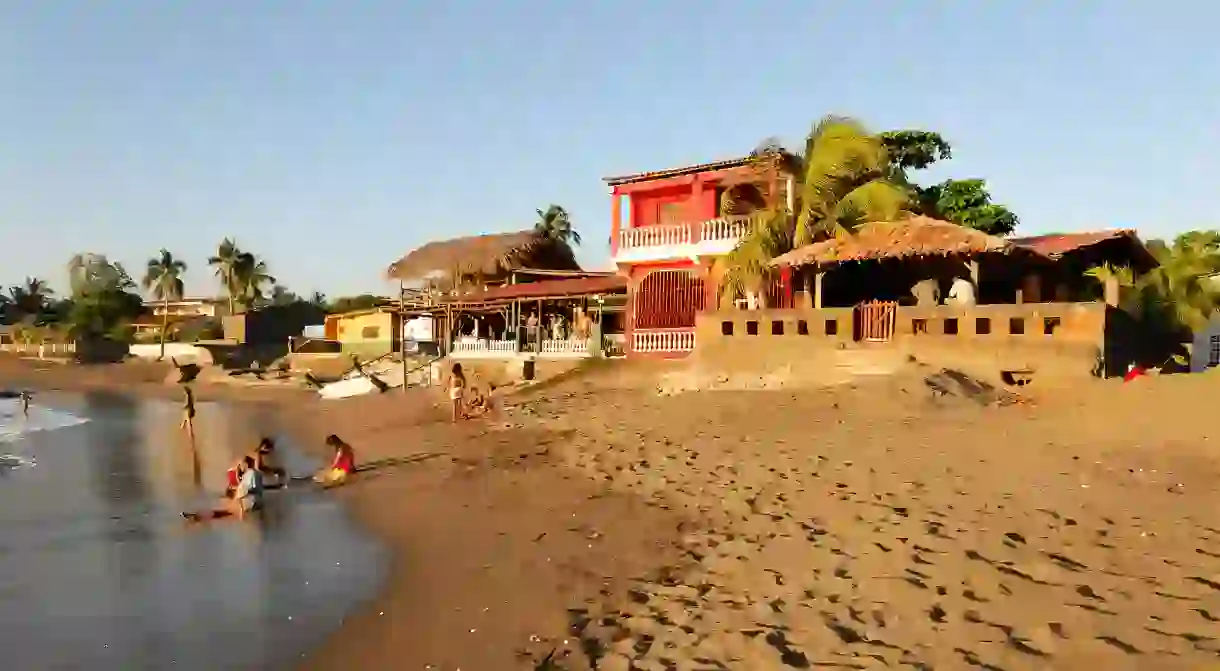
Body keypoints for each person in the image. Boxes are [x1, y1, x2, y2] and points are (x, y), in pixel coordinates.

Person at [183, 456, 263, 522]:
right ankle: (199, 516)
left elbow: (244, 490)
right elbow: (250, 489)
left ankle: (199, 516)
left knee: (225, 511)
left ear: (246, 464)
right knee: (226, 512)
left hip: (249, 501)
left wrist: (240, 505)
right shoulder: (256, 473)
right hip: (254, 501)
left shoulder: (249, 474)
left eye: (241, 465)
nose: (240, 467)